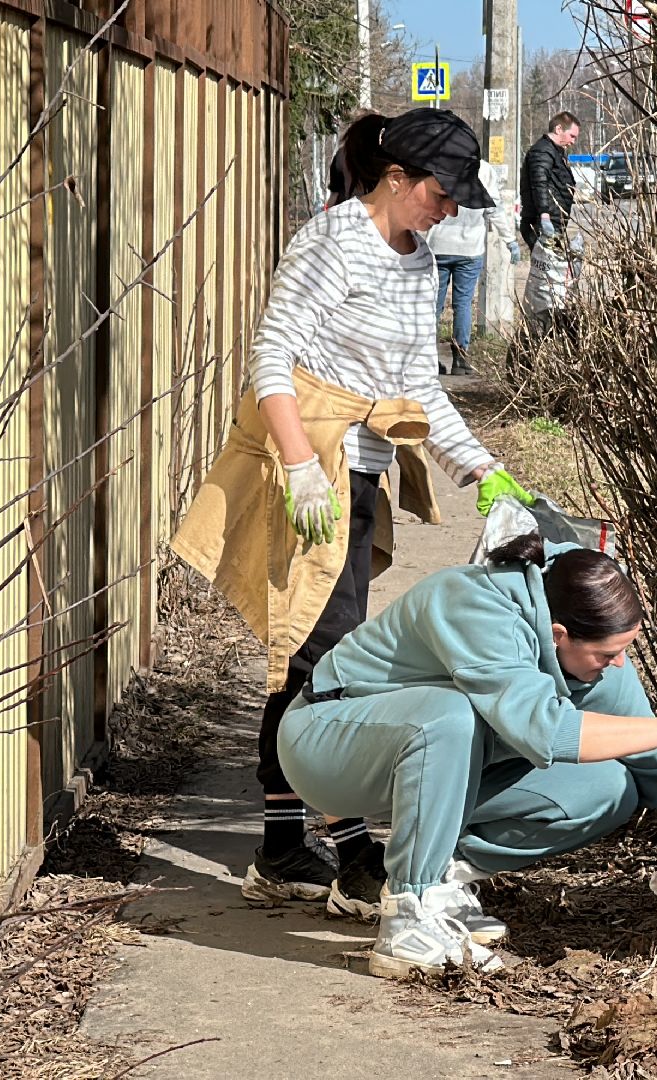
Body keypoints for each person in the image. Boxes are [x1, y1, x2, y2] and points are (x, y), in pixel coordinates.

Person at [206, 108, 538, 912]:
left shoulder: (418, 258)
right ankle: (354, 857)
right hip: (310, 477)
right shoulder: (331, 241)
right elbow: (270, 356)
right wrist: (296, 466)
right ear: (396, 178)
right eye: (440, 191)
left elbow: (419, 387)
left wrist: (483, 470)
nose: (447, 208)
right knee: (332, 664)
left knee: (312, 659)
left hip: (360, 478)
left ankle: (285, 847)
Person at [277, 534, 657, 976]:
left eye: (623, 651)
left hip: (428, 768)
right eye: (607, 654)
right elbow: (548, 733)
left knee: (610, 785)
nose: (618, 664)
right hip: (327, 747)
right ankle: (409, 913)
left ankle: (442, 878)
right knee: (451, 715)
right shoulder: (471, 603)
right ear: (558, 635)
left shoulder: (596, 663)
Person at [426, 161, 516, 375]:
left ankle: (429, 359)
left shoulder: (441, 165)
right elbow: (493, 209)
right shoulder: (484, 170)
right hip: (470, 248)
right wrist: (510, 239)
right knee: (463, 305)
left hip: (438, 245)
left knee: (433, 307)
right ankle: (460, 359)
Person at [519, 111, 579, 249]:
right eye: (572, 136)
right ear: (559, 129)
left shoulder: (555, 152)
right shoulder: (543, 151)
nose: (573, 141)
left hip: (552, 223)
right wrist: (545, 217)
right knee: (547, 269)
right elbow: (539, 184)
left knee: (550, 269)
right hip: (541, 224)